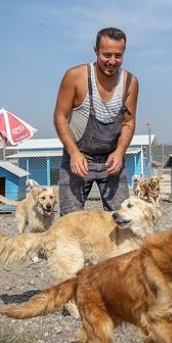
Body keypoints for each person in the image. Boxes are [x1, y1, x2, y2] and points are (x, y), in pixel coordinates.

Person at [53, 27, 138, 215]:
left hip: (111, 159)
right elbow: (60, 117)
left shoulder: (130, 82)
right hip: (79, 157)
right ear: (95, 50)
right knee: (71, 221)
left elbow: (128, 122)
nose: (112, 61)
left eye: (118, 56)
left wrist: (120, 152)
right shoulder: (76, 77)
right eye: (107, 55)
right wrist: (74, 153)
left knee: (123, 219)